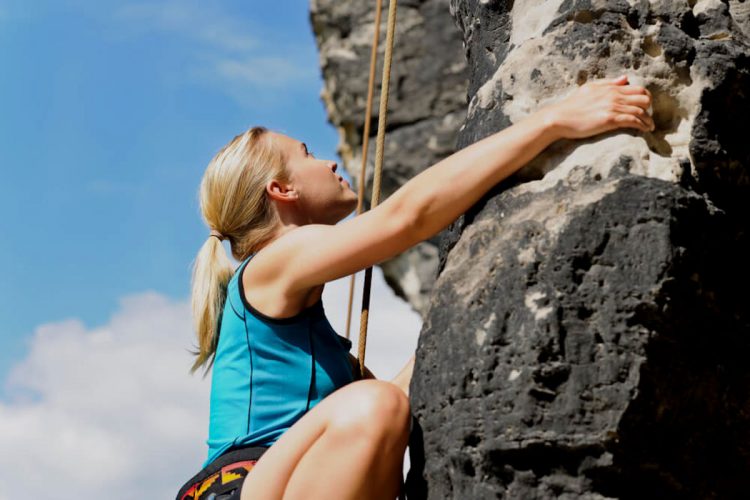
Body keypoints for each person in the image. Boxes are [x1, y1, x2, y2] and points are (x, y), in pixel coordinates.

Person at [176, 74, 654, 500]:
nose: (329, 163)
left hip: (272, 481)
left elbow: (405, 392)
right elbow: (406, 219)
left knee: (381, 403)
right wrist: (553, 122)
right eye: (307, 154)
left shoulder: (311, 339)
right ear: (282, 191)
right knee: (372, 405)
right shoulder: (271, 264)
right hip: (236, 486)